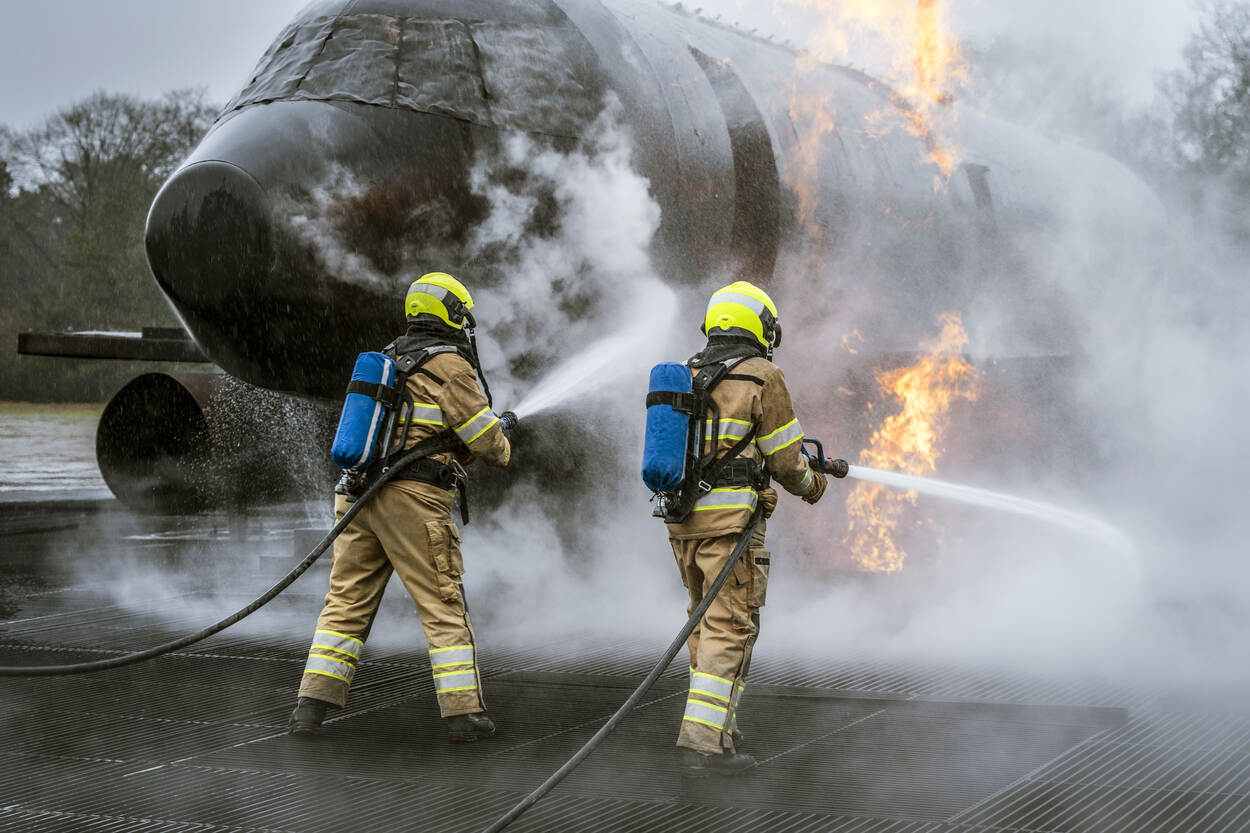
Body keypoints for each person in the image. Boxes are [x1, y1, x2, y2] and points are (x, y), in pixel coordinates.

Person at [289, 271, 514, 742]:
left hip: (356, 495)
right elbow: (489, 444)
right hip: (411, 499)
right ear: (453, 314)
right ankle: (462, 715)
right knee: (443, 601)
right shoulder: (450, 365)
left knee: (345, 603)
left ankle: (309, 708)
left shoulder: (388, 357)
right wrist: (503, 432)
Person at [665, 280, 827, 777]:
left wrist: (759, 485)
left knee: (704, 622)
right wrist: (812, 484)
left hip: (682, 522)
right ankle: (703, 745)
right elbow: (785, 460)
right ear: (763, 326)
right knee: (731, 626)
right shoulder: (762, 376)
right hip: (731, 527)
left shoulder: (688, 375)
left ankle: (717, 731)